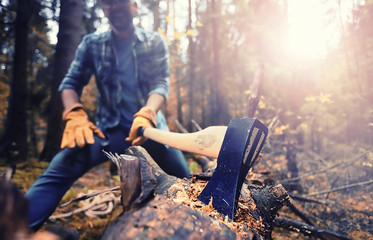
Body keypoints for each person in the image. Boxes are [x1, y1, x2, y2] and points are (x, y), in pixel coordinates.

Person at [25, 0, 191, 231]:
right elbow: (70, 83)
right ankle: (15, 227)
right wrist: (74, 113)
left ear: (134, 6)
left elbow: (160, 84)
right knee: (62, 164)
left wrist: (148, 112)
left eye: (120, 1)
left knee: (187, 182)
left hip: (150, 131)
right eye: (108, 3)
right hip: (107, 133)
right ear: (104, 9)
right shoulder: (92, 44)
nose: (114, 7)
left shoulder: (154, 42)